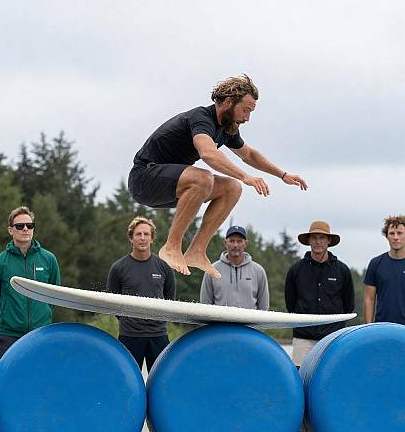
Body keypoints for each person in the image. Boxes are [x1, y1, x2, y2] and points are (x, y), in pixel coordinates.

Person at [129, 74, 307, 279]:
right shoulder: (201, 118)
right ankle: (171, 247)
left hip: (168, 186)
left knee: (232, 188)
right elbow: (208, 153)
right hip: (144, 178)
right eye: (245, 110)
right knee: (203, 178)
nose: (247, 118)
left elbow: (249, 154)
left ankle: (196, 251)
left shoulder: (227, 129)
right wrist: (245, 176)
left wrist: (282, 174)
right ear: (228, 102)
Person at [0, 206, 61, 432]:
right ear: (10, 230)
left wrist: (43, 316)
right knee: (6, 387)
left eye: (29, 226)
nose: (25, 230)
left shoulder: (48, 259)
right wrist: (8, 319)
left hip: (41, 335)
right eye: (20, 226)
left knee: (42, 384)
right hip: (10, 334)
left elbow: (55, 294)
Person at [285, 220, 354, 432]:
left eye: (322, 238)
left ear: (328, 241)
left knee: (332, 383)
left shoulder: (342, 270)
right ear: (309, 241)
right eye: (314, 237)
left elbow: (348, 305)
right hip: (304, 334)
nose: (317, 242)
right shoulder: (296, 269)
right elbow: (290, 302)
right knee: (296, 384)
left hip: (332, 336)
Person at [107, 216, 176, 373]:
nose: (142, 238)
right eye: (138, 234)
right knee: (127, 378)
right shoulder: (118, 268)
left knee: (160, 380)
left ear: (152, 239)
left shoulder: (164, 267)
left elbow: (170, 299)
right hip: (129, 336)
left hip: (158, 336)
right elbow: (112, 301)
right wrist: (130, 319)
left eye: (146, 234)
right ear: (131, 238)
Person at [200, 225, 269, 310]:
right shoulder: (212, 270)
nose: (235, 245)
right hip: (220, 322)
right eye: (232, 241)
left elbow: (263, 306)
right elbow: (205, 304)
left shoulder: (258, 271)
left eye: (239, 241)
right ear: (225, 243)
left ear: (246, 243)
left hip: (248, 323)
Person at [363, 215, 405, 324]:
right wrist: (368, 328)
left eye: (399, 233)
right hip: (383, 328)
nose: (396, 237)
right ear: (387, 236)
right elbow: (369, 299)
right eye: (392, 233)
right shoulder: (375, 263)